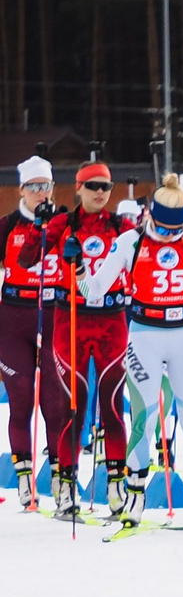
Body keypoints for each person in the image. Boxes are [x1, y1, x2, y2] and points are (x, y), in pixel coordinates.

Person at [80, 176, 183, 526]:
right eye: (163, 229)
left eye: (177, 229)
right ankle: (135, 497)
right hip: (145, 336)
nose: (170, 236)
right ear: (151, 216)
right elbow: (94, 289)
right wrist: (78, 268)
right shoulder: (131, 241)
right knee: (143, 420)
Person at [40, 162, 133, 519]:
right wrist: (39, 227)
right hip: (71, 319)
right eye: (93, 185)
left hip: (111, 320)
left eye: (106, 186)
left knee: (112, 403)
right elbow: (29, 257)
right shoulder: (63, 224)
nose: (100, 192)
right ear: (78, 188)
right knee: (73, 405)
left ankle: (116, 485)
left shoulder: (121, 226)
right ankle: (65, 485)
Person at [2, 157, 60, 510]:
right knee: (21, 399)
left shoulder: (63, 222)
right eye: (34, 186)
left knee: (55, 403)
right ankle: (25, 480)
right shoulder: (9, 225)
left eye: (46, 186)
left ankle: (59, 477)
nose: (41, 193)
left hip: (53, 316)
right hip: (13, 320)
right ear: (22, 189)